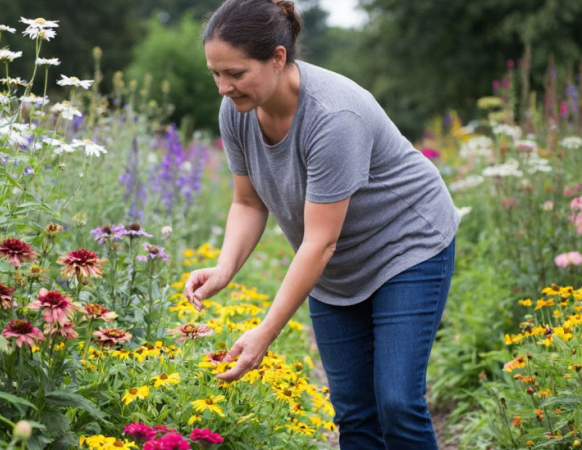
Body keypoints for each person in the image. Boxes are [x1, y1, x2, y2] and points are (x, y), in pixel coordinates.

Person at [182, 0, 459, 448]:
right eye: (215, 73)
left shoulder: (333, 116)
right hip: (336, 264)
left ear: (277, 57)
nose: (223, 88)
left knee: (396, 403)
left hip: (408, 247)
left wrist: (265, 333)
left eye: (235, 73)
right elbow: (248, 203)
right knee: (352, 411)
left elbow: (320, 242)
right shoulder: (238, 112)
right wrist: (224, 268)